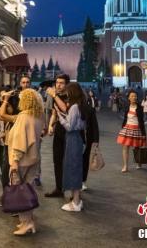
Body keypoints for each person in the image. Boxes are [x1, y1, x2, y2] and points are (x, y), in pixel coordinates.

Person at [6, 88, 44, 235]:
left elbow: (19, 140)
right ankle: (28, 221)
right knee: (28, 190)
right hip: (33, 158)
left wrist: (14, 160)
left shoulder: (23, 117)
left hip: (21, 160)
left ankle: (26, 223)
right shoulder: (39, 115)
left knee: (19, 193)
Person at [58, 83, 87, 212]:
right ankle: (77, 200)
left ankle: (75, 202)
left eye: (68, 91)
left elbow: (69, 127)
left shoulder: (74, 107)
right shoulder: (81, 105)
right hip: (78, 138)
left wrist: (60, 117)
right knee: (76, 167)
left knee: (73, 168)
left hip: (73, 138)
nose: (66, 94)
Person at [44, 74, 70, 197]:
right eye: (57, 82)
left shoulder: (71, 96)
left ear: (67, 84)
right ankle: (58, 188)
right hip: (59, 129)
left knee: (69, 161)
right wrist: (50, 125)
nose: (58, 85)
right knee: (57, 159)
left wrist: (54, 95)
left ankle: (72, 189)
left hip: (70, 131)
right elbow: (55, 112)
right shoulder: (57, 96)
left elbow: (64, 109)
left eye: (61, 83)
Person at [0, 89, 20, 207]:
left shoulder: (17, 117)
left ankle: (13, 202)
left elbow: (0, 115)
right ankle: (8, 198)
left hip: (13, 150)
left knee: (10, 177)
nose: (6, 108)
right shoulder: (14, 117)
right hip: (8, 147)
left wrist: (5, 100)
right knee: (6, 176)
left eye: (8, 106)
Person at [116, 90, 147, 172]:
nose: (134, 97)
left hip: (137, 129)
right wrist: (122, 127)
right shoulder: (127, 106)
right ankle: (125, 166)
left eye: (135, 96)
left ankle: (139, 162)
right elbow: (125, 118)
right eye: (132, 96)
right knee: (125, 147)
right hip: (127, 129)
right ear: (129, 98)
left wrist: (143, 133)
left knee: (137, 148)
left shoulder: (140, 108)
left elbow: (141, 121)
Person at [82, 101, 100, 191]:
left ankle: (83, 181)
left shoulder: (89, 109)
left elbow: (95, 126)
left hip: (87, 139)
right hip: (74, 138)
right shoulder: (70, 106)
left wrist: (96, 141)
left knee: (85, 160)